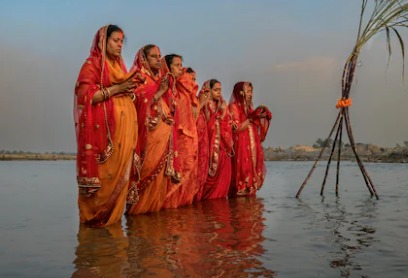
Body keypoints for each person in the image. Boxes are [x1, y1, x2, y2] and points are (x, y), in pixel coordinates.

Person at [74, 25, 141, 227]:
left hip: (124, 136)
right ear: (103, 41)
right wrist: (118, 89)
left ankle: (111, 240)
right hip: (105, 138)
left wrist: (129, 92)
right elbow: (86, 96)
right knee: (105, 180)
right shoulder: (92, 64)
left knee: (120, 182)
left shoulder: (121, 67)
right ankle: (93, 227)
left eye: (121, 41)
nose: (120, 45)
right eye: (115, 40)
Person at [126, 54, 182, 215]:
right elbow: (137, 104)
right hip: (148, 139)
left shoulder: (161, 82)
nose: (158, 59)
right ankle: (137, 220)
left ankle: (154, 228)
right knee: (145, 173)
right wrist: (158, 93)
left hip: (163, 140)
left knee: (159, 183)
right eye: (153, 56)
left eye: (159, 56)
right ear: (144, 60)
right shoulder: (140, 79)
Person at [163, 57, 200, 208]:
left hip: (186, 139)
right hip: (174, 138)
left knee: (186, 171)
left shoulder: (183, 91)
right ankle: (169, 206)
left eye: (181, 65)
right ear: (168, 67)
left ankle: (179, 207)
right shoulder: (169, 89)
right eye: (176, 65)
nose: (180, 68)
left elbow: (191, 116)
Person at [228, 81, 272, 197]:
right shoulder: (233, 107)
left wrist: (261, 113)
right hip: (241, 147)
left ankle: (251, 209)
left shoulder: (249, 107)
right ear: (240, 93)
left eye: (251, 92)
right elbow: (235, 128)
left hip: (252, 147)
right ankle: (240, 210)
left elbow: (255, 122)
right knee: (242, 177)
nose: (250, 94)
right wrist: (250, 119)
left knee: (252, 180)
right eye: (248, 92)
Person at [200, 79, 234, 200]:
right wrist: (217, 113)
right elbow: (206, 121)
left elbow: (228, 123)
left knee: (223, 174)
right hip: (210, 143)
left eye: (220, 90)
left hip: (223, 145)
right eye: (215, 90)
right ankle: (208, 201)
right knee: (211, 175)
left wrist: (224, 113)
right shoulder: (206, 104)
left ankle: (220, 204)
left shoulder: (223, 104)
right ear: (209, 91)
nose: (219, 92)